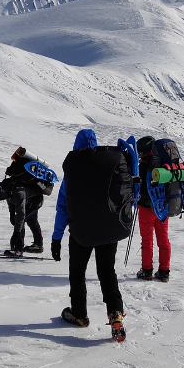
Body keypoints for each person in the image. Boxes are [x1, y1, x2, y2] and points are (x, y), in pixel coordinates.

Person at [51, 129, 131, 341]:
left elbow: (62, 207)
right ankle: (115, 314)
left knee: (77, 272)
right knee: (107, 271)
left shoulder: (73, 169)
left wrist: (56, 238)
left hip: (81, 232)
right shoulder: (108, 165)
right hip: (108, 230)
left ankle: (79, 314)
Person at [3, 146, 52, 256]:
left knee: (23, 220)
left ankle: (18, 249)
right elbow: (12, 205)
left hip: (35, 200)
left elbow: (20, 215)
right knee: (29, 220)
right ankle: (38, 246)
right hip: (30, 199)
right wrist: (12, 216)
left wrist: (16, 233)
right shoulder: (9, 188)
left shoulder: (15, 191)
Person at [135, 135, 171, 282]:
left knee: (147, 241)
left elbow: (139, 188)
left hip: (146, 209)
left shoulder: (142, 165)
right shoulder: (163, 164)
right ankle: (164, 272)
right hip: (162, 208)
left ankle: (147, 271)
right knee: (163, 240)